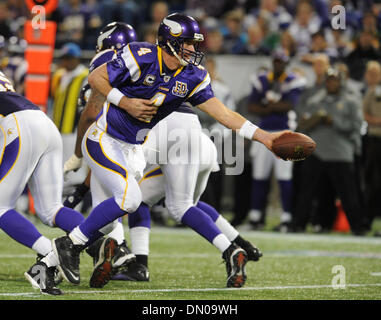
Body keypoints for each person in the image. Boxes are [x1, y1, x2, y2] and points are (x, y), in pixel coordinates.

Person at [39, 13, 290, 292]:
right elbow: (97, 77)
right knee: (131, 200)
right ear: (169, 42)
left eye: (194, 44)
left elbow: (224, 114)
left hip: (134, 149)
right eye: (187, 43)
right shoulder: (141, 55)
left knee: (113, 216)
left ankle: (46, 267)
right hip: (104, 140)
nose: (193, 50)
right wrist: (126, 102)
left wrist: (265, 137)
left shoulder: (193, 75)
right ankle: (70, 246)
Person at [0, 70, 94, 295]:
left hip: (19, 125)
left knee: (0, 206)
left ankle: (48, 254)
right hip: (43, 121)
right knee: (51, 209)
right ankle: (100, 244)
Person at [292, 67, 368, 235]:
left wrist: (333, 121)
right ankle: (298, 224)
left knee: (348, 193)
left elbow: (355, 127)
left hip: (340, 153)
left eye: (335, 80)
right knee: (307, 191)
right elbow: (302, 124)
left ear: (340, 82)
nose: (331, 83)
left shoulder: (350, 101)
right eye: (329, 80)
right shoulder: (315, 100)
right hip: (316, 152)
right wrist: (316, 119)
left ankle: (358, 226)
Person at [247, 49, 306, 230]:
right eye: (276, 61)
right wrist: (271, 108)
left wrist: (266, 106)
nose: (278, 64)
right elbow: (251, 106)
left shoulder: (293, 80)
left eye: (281, 61)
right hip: (264, 133)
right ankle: (256, 217)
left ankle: (286, 217)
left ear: (286, 63)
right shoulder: (262, 79)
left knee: (284, 177)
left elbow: (289, 105)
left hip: (285, 134)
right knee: (259, 176)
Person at [362, 61, 381, 231]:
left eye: (376, 74)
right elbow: (364, 113)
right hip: (375, 139)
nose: (374, 77)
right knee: (372, 181)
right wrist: (377, 121)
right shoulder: (370, 92)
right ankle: (368, 219)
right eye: (371, 74)